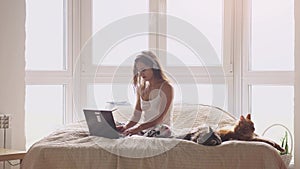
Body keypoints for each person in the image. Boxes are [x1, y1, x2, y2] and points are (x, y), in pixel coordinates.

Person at [116, 51, 174, 137]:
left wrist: (138, 128)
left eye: (144, 70)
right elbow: (136, 115)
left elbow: (159, 119)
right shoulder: (141, 88)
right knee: (121, 130)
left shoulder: (166, 87)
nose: (141, 74)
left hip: (161, 129)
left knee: (164, 130)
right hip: (145, 130)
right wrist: (126, 127)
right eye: (139, 71)